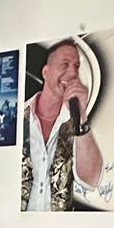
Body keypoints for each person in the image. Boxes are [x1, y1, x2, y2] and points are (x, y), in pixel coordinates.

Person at [21, 38, 104, 211]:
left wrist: (81, 116)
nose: (72, 73)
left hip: (59, 227)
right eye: (65, 64)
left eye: (76, 66)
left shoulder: (76, 123)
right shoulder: (18, 117)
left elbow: (91, 180)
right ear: (46, 72)